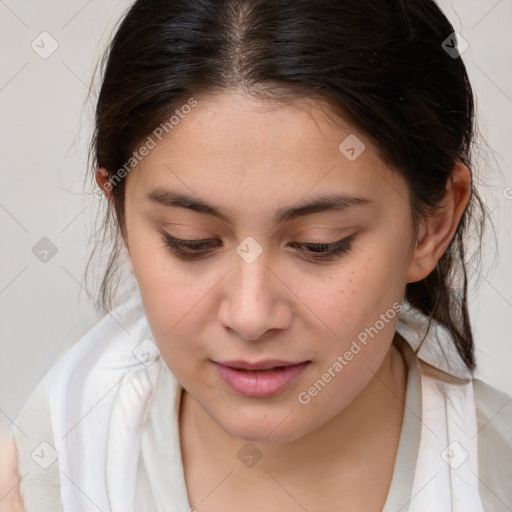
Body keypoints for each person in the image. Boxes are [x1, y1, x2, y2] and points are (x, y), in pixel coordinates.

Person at [1, 0, 511, 511]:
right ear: (123, 220)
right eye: (190, 241)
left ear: (432, 225)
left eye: (320, 244)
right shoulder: (55, 464)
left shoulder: (493, 476)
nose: (250, 317)